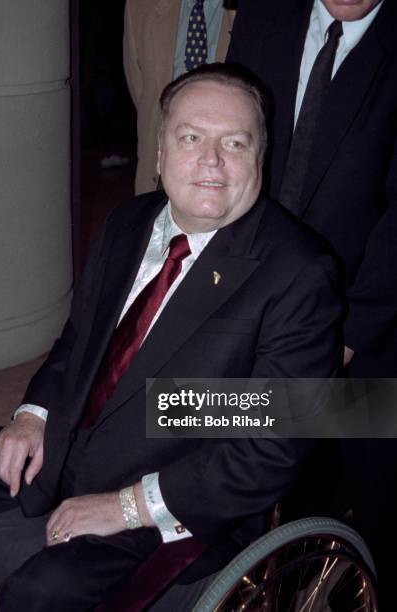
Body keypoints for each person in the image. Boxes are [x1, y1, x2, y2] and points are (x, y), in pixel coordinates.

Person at [0, 63, 342, 611]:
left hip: (176, 499)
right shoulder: (128, 222)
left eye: (234, 142)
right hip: (71, 446)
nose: (211, 160)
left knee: (42, 593)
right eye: (191, 138)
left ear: (261, 157)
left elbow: (270, 448)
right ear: (160, 154)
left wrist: (126, 507)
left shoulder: (299, 272)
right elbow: (77, 342)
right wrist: (34, 416)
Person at [226, 1, 397, 607]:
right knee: (185, 415)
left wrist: (342, 337)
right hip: (253, 291)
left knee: (354, 503)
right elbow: (231, 147)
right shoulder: (263, 17)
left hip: (366, 324)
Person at [123, 0, 236, 195]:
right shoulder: (141, 6)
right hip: (158, 178)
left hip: (226, 178)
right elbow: (143, 95)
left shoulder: (256, 10)